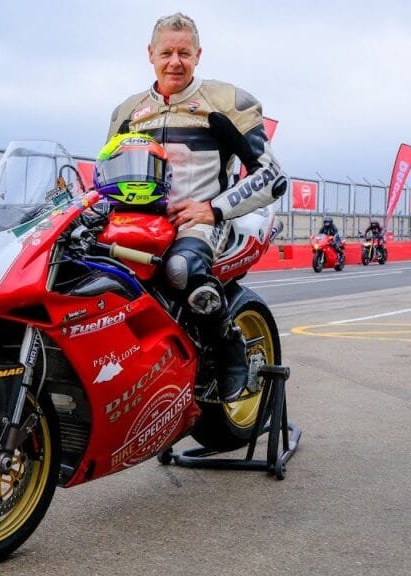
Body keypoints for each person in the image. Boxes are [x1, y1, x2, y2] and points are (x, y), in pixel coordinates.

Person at [106, 12, 286, 403]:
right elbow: (106, 173)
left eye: (184, 53)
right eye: (167, 52)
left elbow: (272, 177)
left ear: (198, 55)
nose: (175, 61)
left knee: (181, 269)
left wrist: (212, 209)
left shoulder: (226, 102)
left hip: (200, 223)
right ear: (150, 54)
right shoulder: (127, 112)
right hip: (136, 223)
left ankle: (231, 356)